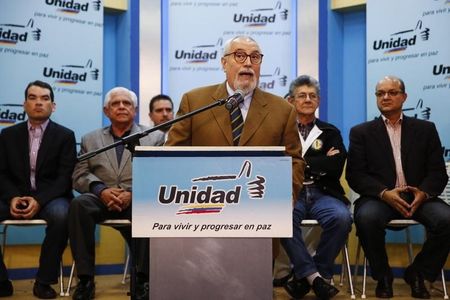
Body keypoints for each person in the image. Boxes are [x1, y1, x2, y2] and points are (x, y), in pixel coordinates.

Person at [346, 75, 450, 299]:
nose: (385, 97)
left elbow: (437, 173)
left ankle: (419, 274)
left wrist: (423, 192)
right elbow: (355, 175)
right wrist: (384, 193)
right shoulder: (361, 133)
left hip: (418, 197)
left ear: (404, 97)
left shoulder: (425, 129)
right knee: (366, 219)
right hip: (379, 197)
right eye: (380, 93)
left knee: (446, 220)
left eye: (392, 92)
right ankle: (383, 276)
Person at [166, 35, 304, 198]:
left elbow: (294, 162)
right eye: (239, 56)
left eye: (255, 57)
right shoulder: (195, 102)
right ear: (224, 63)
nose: (248, 63)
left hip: (261, 207)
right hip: (204, 202)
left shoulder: (282, 110)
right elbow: (172, 155)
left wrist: (285, 199)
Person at [69, 87, 164, 300]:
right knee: (78, 205)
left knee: (148, 208)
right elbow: (79, 174)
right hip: (100, 198)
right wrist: (100, 190)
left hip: (137, 198)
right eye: (115, 104)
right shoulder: (89, 139)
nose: (121, 107)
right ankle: (85, 280)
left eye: (127, 103)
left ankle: (142, 280)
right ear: (106, 111)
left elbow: (158, 174)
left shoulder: (155, 137)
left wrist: (132, 193)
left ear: (135, 109)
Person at [0, 80, 76, 299]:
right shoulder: (7, 135)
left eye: (44, 98)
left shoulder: (65, 136)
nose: (38, 103)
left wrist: (39, 200)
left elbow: (64, 178)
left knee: (62, 215)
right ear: (24, 104)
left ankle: (44, 281)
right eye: (32, 98)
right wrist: (13, 197)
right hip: (13, 195)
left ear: (53, 105)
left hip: (52, 197)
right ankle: (2, 280)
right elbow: (1, 173)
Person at [280, 75, 352, 299]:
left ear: (318, 101)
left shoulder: (330, 132)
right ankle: (317, 279)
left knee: (342, 218)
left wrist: (300, 162)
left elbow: (336, 165)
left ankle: (309, 275)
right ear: (291, 101)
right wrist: (319, 162)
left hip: (324, 192)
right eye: (302, 95)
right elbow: (277, 163)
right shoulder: (280, 130)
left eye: (312, 96)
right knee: (281, 217)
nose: (308, 99)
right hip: (291, 191)